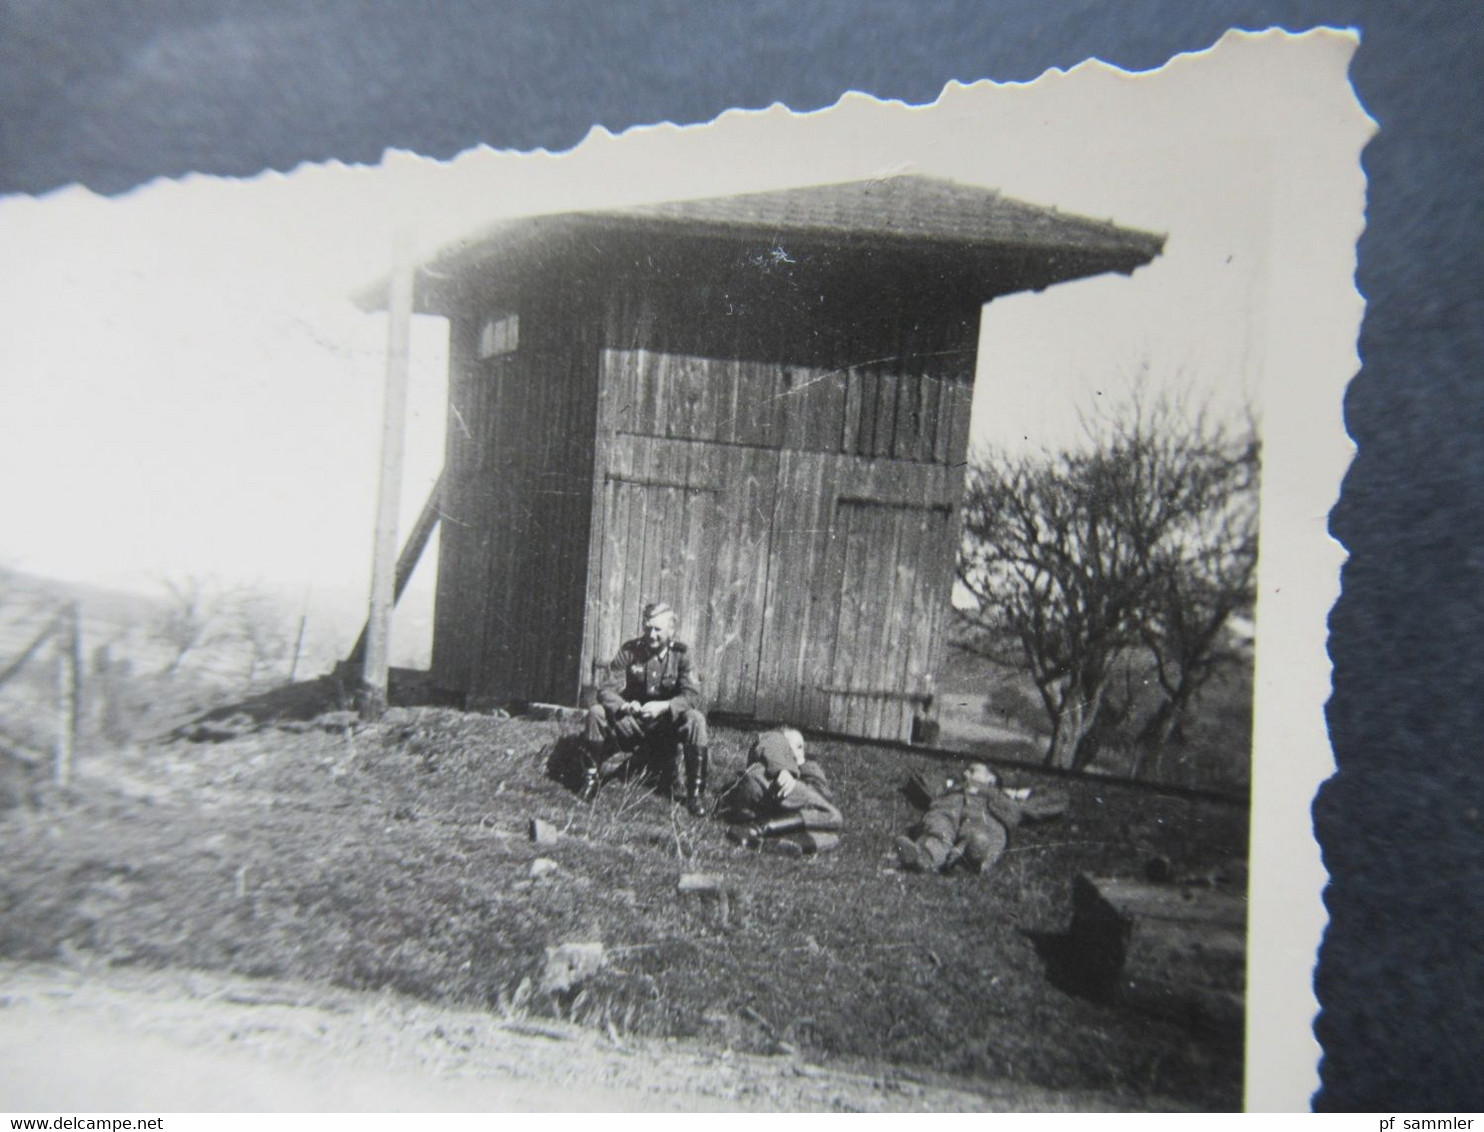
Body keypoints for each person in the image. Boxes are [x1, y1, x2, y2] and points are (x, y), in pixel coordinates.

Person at [581, 602, 709, 813]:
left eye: (658, 629)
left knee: (696, 719)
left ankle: (695, 795)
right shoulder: (630, 651)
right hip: (632, 723)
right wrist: (624, 706)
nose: (651, 634)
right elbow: (605, 690)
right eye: (648, 628)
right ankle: (590, 781)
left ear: (671, 630)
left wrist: (665, 707)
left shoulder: (682, 654)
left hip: (666, 727)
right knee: (596, 713)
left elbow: (691, 695)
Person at [723, 727, 842, 856]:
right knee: (833, 816)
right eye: (796, 746)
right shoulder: (774, 738)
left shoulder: (800, 769)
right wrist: (783, 770)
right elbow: (771, 746)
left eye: (801, 748)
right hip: (764, 785)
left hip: (775, 808)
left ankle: (785, 843)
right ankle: (753, 829)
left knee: (830, 835)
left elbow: (822, 797)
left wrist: (804, 765)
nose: (800, 752)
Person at [894, 763, 1025, 875]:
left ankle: (969, 859)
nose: (965, 773)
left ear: (991, 779)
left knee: (980, 834)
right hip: (946, 811)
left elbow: (1033, 808)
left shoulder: (1000, 795)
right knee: (937, 829)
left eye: (972, 770)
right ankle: (923, 858)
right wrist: (950, 781)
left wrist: (1015, 794)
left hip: (985, 816)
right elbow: (918, 780)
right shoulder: (952, 788)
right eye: (966, 770)